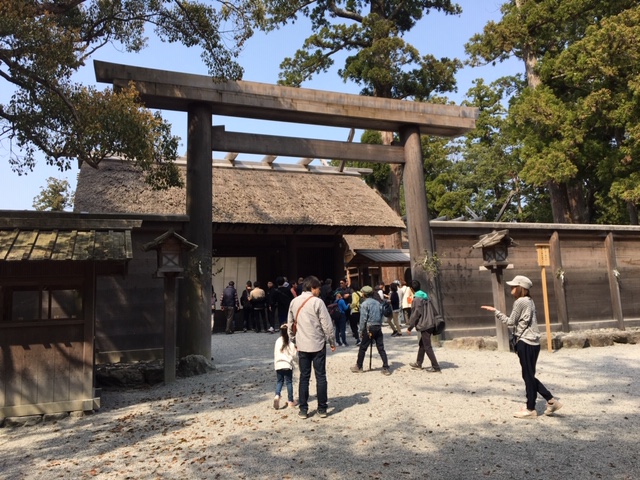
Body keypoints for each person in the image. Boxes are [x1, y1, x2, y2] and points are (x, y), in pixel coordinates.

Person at [481, 275, 563, 419]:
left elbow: (510, 322)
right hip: (534, 343)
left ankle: (539, 405)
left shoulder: (520, 302)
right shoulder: (530, 301)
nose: (511, 288)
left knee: (528, 376)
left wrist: (495, 312)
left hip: (525, 342)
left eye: (514, 286)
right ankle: (534, 403)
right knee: (529, 375)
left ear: (521, 288)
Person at [287, 275, 336, 419]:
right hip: (318, 343)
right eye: (318, 288)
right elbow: (327, 325)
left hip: (302, 344)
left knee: (304, 377)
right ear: (313, 288)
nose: (319, 291)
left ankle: (303, 409)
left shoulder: (294, 302)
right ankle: (322, 408)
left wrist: (293, 339)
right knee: (321, 376)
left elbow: (290, 324)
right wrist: (332, 341)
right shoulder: (318, 302)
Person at [350, 285, 391, 375]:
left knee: (363, 348)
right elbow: (381, 315)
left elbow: (363, 319)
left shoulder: (364, 304)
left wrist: (361, 331)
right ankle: (386, 367)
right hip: (378, 326)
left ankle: (359, 366)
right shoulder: (377, 303)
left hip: (369, 328)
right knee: (381, 348)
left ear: (364, 294)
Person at [406, 280, 441, 373]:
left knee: (427, 346)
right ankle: (419, 363)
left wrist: (410, 327)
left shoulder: (416, 299)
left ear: (411, 289)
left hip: (424, 324)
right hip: (430, 323)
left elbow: (416, 314)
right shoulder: (426, 297)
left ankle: (436, 367)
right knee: (422, 344)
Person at [273, 324, 298, 410]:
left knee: (279, 381)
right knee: (289, 382)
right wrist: (298, 363)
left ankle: (277, 395)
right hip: (287, 365)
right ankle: (290, 400)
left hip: (278, 364)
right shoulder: (290, 342)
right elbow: (294, 355)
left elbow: (275, 353)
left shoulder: (277, 341)